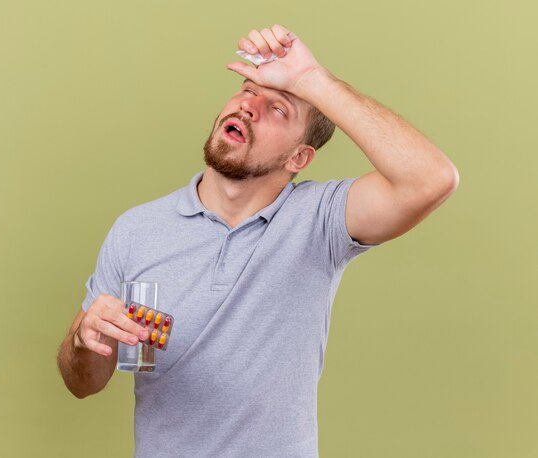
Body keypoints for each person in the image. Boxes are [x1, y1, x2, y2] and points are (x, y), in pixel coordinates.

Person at [57, 24, 459, 457]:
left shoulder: (319, 220)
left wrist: (310, 81)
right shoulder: (136, 229)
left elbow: (431, 179)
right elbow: (82, 383)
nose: (250, 107)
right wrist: (85, 341)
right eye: (247, 90)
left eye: (278, 108)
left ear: (298, 158)